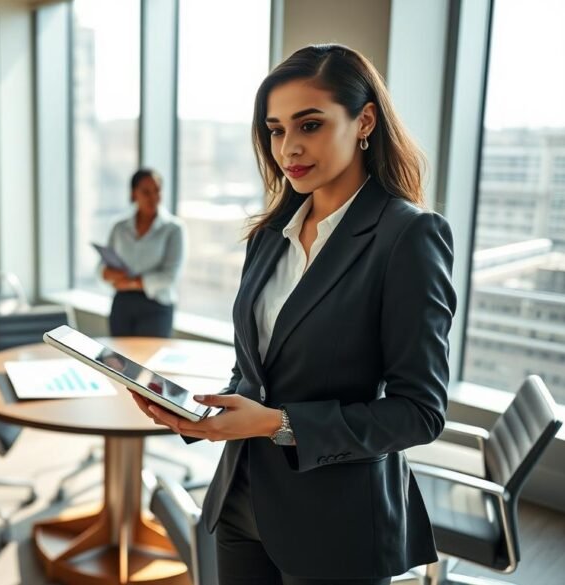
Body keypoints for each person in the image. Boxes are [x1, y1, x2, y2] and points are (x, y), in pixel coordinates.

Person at [130, 44, 457, 584]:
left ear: (364, 121)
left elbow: (419, 412)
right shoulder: (270, 234)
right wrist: (204, 417)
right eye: (276, 130)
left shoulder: (408, 237)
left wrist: (281, 424)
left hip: (336, 521)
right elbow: (257, 369)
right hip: (241, 499)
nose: (289, 148)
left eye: (309, 125)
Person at [100, 168, 186, 338]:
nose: (153, 197)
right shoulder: (119, 227)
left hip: (156, 305)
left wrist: (130, 283)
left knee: (148, 361)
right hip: (122, 304)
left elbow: (169, 277)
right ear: (133, 194)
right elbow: (102, 266)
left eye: (157, 191)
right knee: (118, 361)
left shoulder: (174, 229)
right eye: (146, 192)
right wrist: (107, 273)